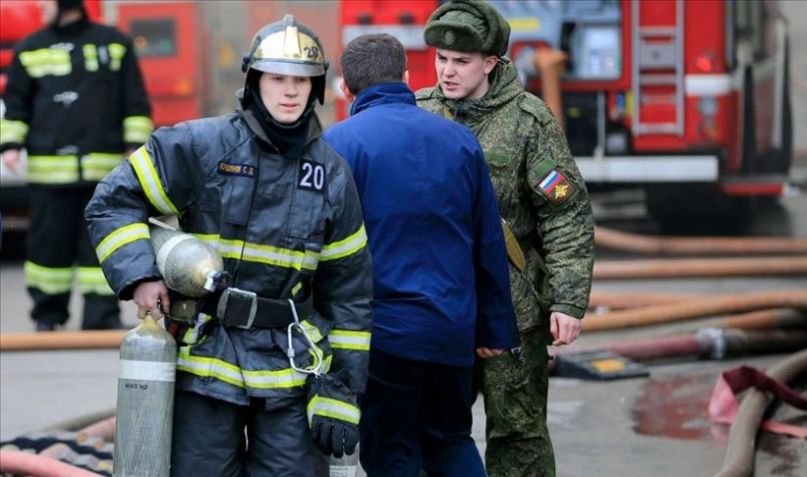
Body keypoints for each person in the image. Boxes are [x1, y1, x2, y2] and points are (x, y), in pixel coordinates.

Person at [85, 15, 372, 477]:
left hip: (291, 368)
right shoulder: (202, 145)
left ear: (317, 89)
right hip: (206, 359)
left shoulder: (332, 175)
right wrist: (140, 275)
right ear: (255, 81)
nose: (290, 91)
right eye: (277, 78)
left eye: (302, 80)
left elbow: (350, 295)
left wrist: (340, 393)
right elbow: (112, 202)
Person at [323, 33, 516, 476]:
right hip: (452, 332)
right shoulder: (460, 141)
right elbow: (488, 239)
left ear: (347, 90)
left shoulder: (338, 145)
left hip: (383, 336)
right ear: (408, 78)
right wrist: (493, 327)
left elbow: (323, 246)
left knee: (393, 450)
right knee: (450, 439)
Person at [416, 1, 596, 476]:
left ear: (491, 62)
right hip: (438, 306)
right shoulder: (420, 114)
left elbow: (566, 214)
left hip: (513, 312)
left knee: (518, 434)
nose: (447, 72)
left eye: (462, 61)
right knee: (429, 430)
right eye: (441, 59)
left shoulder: (529, 122)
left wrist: (567, 301)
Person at [0, 0, 152, 331]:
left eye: (46, 2)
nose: (40, 7)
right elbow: (16, 103)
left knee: (99, 248)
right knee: (46, 250)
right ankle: (47, 316)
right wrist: (10, 145)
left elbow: (134, 98)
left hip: (103, 175)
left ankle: (101, 317)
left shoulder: (114, 43)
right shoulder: (30, 48)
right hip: (48, 176)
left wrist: (135, 146)